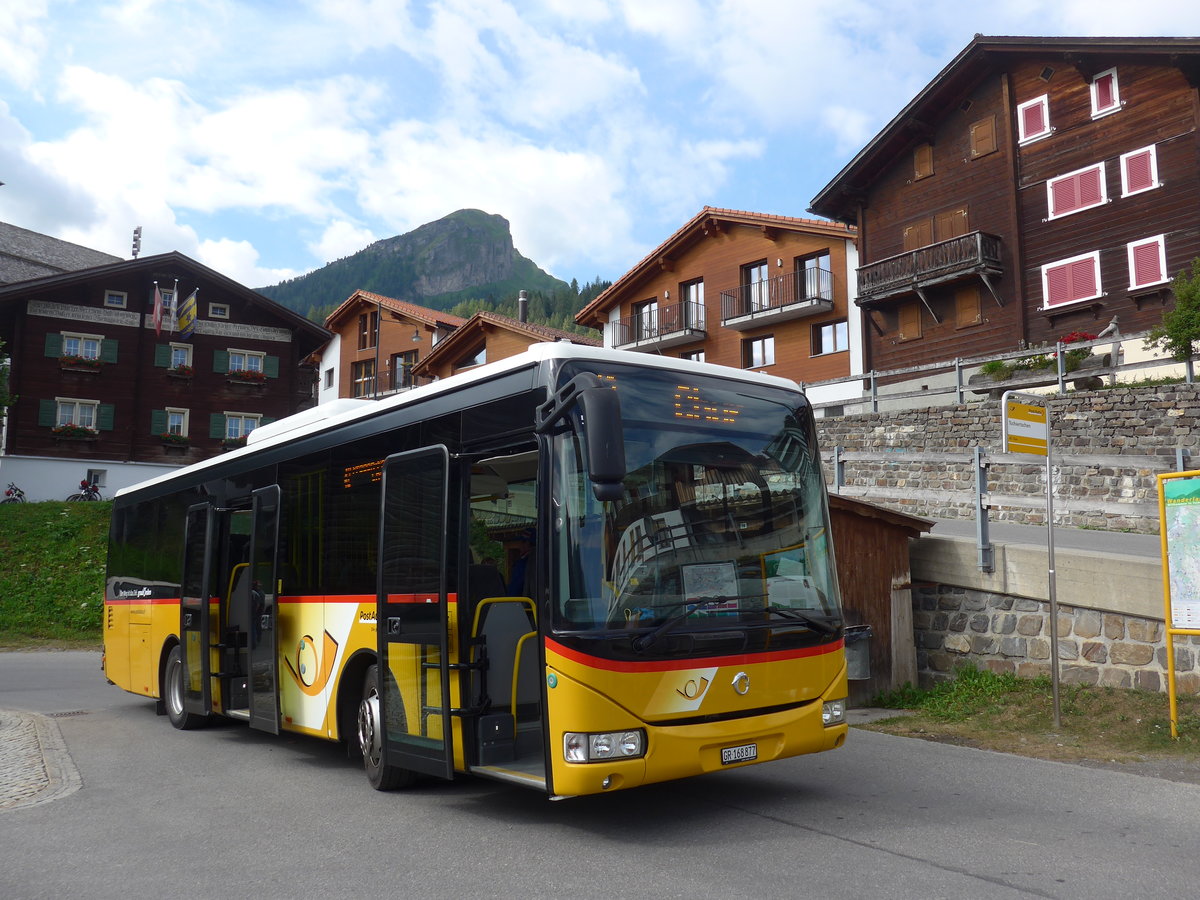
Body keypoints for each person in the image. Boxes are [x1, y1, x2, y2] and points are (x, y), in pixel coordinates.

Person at [507, 527, 535, 596]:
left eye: (523, 542)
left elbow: (515, 587)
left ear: (529, 544)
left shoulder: (524, 563)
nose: (520, 545)